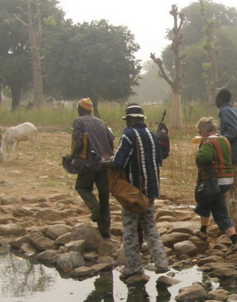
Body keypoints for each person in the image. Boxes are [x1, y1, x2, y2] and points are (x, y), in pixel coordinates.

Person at [103, 104, 169, 285]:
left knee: (130, 229)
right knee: (150, 227)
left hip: (133, 193)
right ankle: (162, 263)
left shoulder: (129, 135)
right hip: (151, 191)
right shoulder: (153, 136)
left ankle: (134, 266)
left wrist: (102, 163)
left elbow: (118, 162)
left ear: (130, 120)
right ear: (142, 119)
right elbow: (158, 162)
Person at [194, 116, 237, 250]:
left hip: (214, 181)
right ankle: (203, 231)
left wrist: (198, 153)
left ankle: (235, 241)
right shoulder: (224, 140)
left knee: (219, 211)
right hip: (227, 179)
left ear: (204, 131)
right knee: (205, 202)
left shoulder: (208, 143)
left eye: (200, 132)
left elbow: (204, 158)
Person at [72, 97, 115, 238]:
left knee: (82, 187)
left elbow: (79, 142)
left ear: (81, 109)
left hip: (88, 163)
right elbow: (111, 140)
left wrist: (71, 156)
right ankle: (105, 231)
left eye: (78, 108)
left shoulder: (78, 121)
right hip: (105, 163)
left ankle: (94, 207)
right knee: (104, 195)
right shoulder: (100, 122)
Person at [215, 89, 237, 238]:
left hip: (234, 157)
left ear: (222, 99)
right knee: (228, 191)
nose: (215, 101)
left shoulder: (225, 112)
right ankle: (227, 225)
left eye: (216, 98)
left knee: (233, 194)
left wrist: (219, 140)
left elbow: (234, 130)